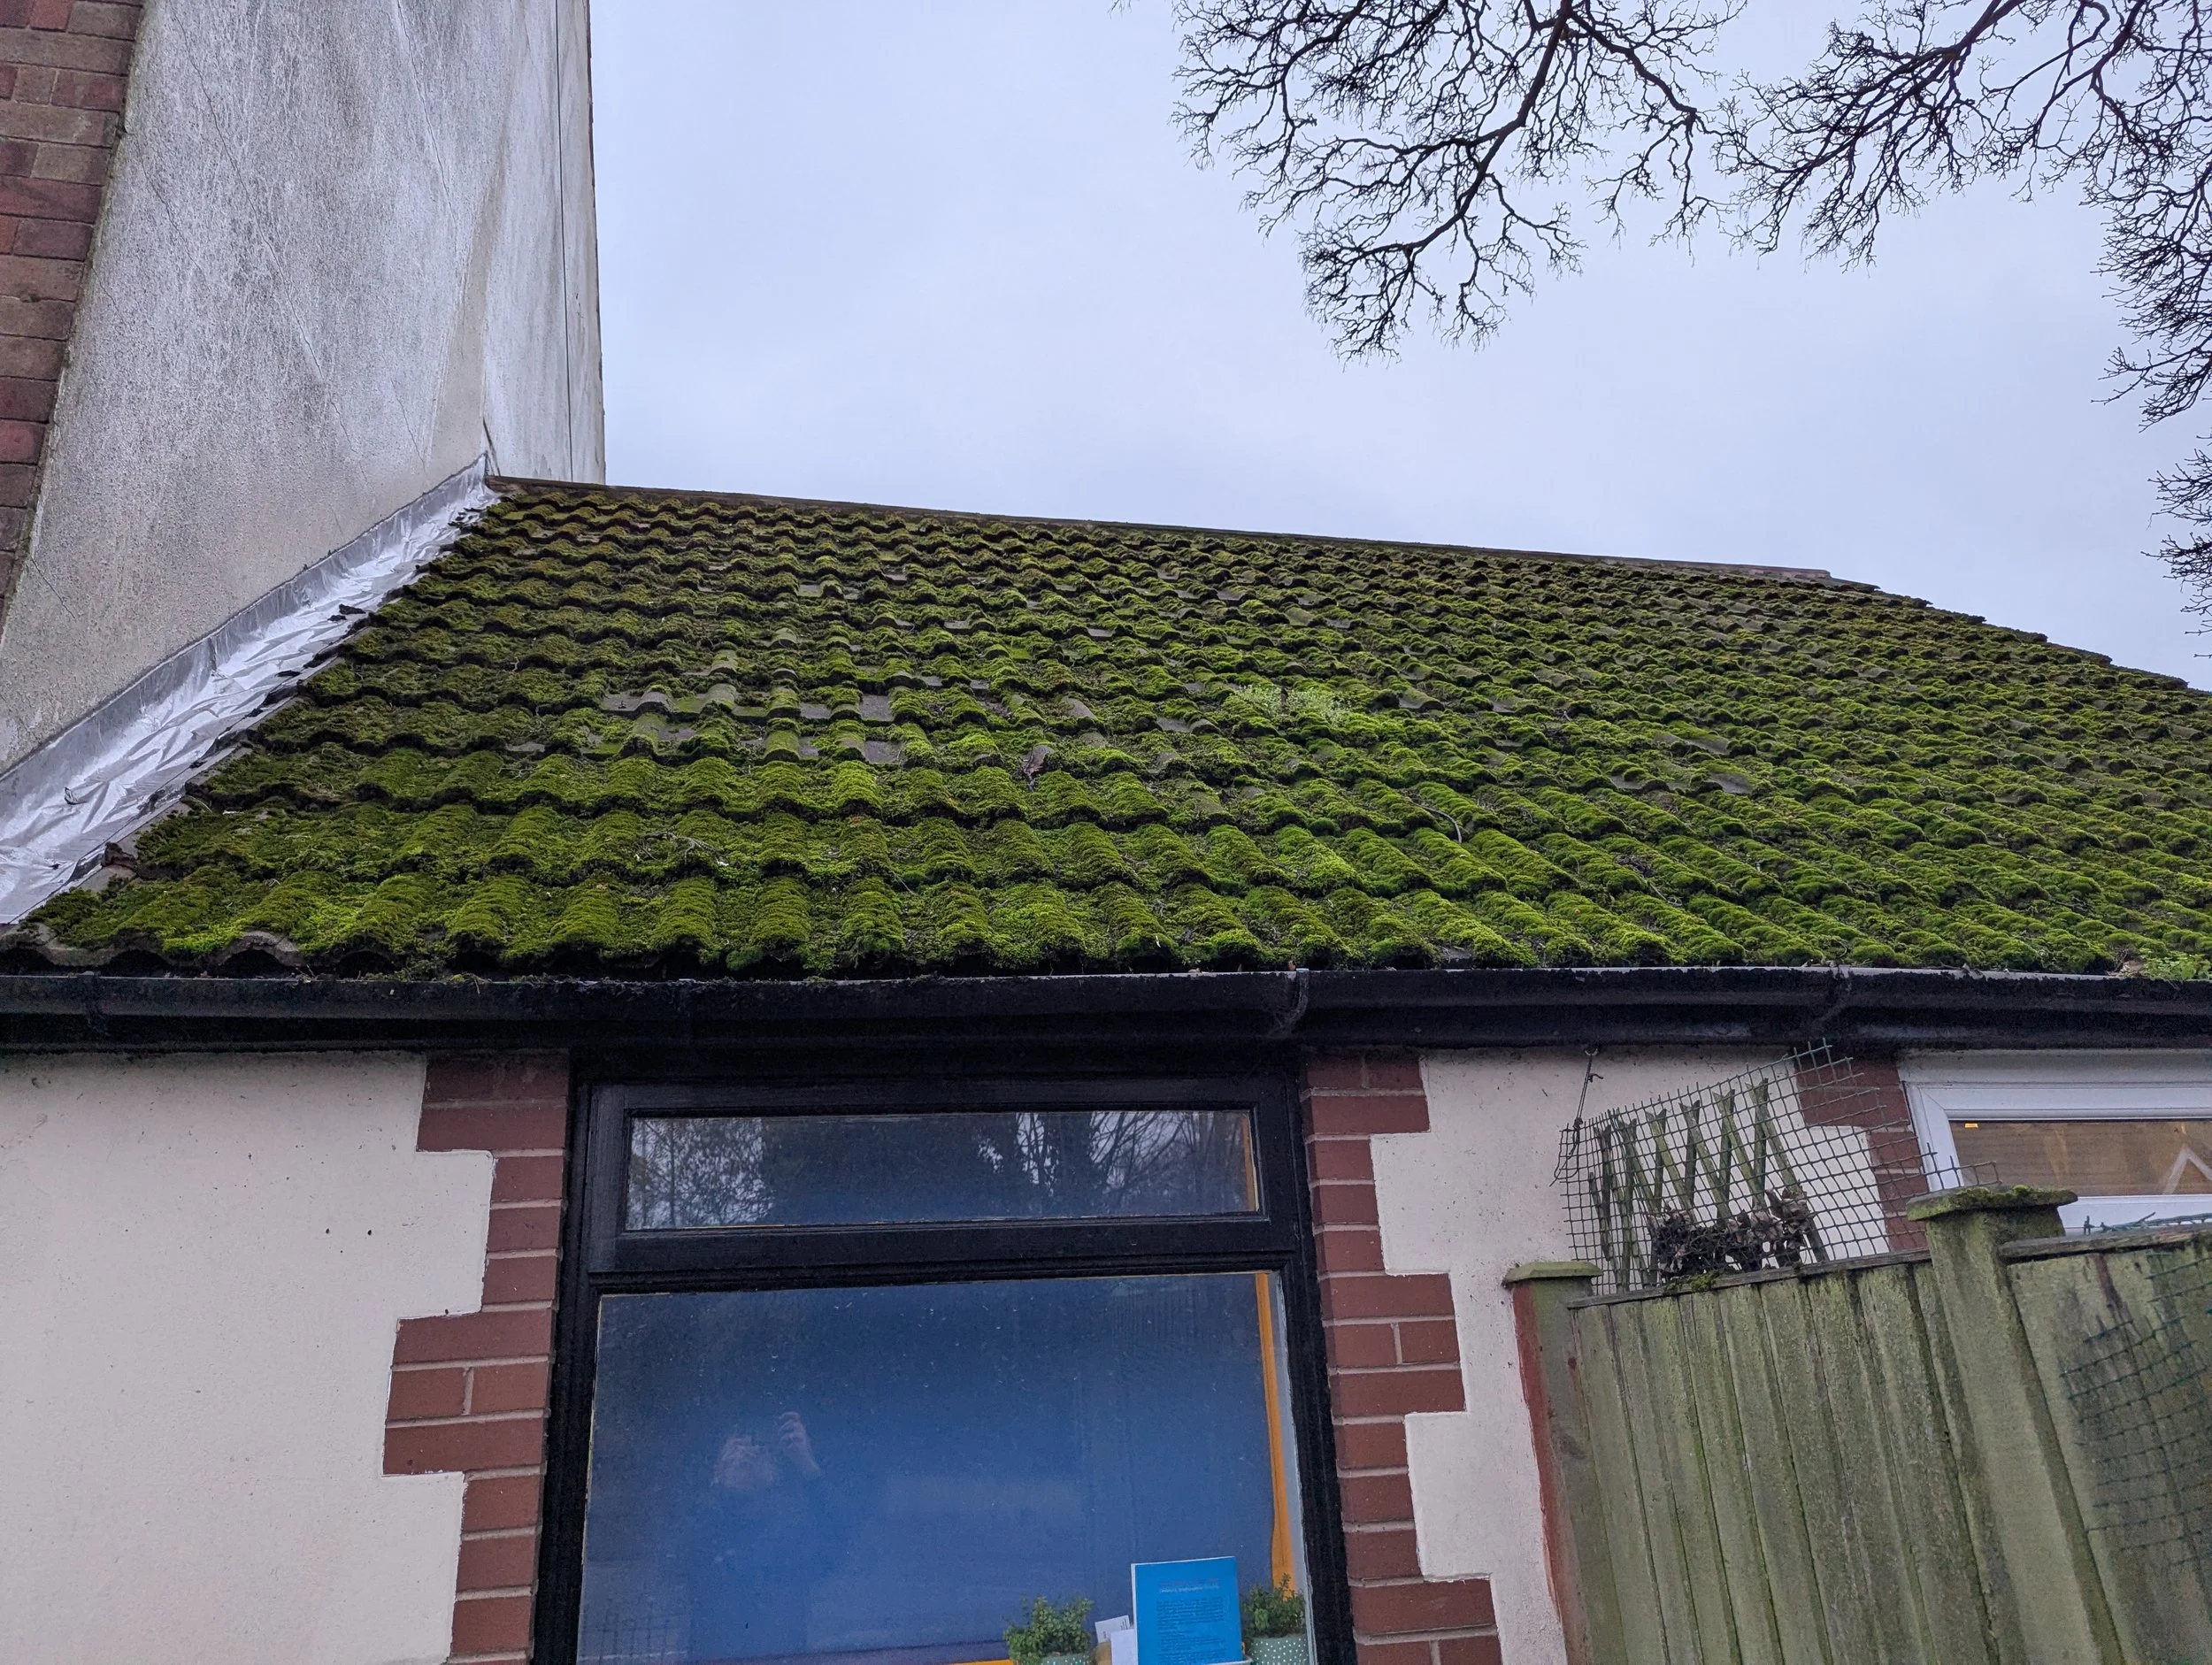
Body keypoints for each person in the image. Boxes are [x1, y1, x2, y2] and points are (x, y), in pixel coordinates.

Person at [687, 1410, 849, 1661]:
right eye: (737, 1449)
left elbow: (840, 1546)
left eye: (760, 1450)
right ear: (717, 1464)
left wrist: (807, 1464)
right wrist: (721, 1487)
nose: (747, 1456)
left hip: (783, 1656)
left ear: (775, 1470)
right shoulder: (705, 1514)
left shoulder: (793, 1522)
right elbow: (677, 1561)